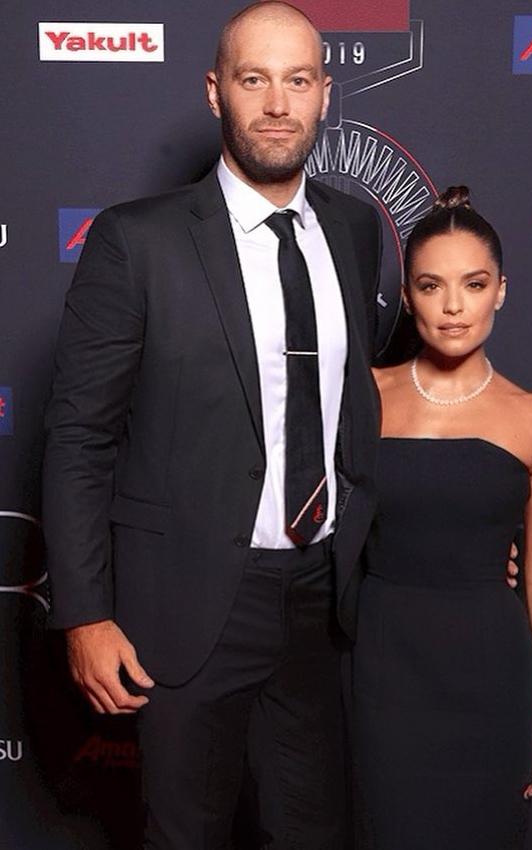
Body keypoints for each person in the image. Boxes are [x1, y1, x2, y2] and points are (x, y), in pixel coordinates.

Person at [42, 3, 382, 848]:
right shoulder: (136, 241)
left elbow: (355, 412)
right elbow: (81, 436)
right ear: (214, 92)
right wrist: (83, 613)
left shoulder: (352, 228)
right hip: (186, 607)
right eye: (253, 79)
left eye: (297, 80)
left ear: (324, 94)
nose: (276, 103)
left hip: (320, 606)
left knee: (315, 833)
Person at [352, 186, 532, 849]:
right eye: (430, 285)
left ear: (500, 290)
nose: (453, 306)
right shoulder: (362, 396)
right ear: (409, 296)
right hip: (378, 668)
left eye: (473, 284)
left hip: (488, 673)